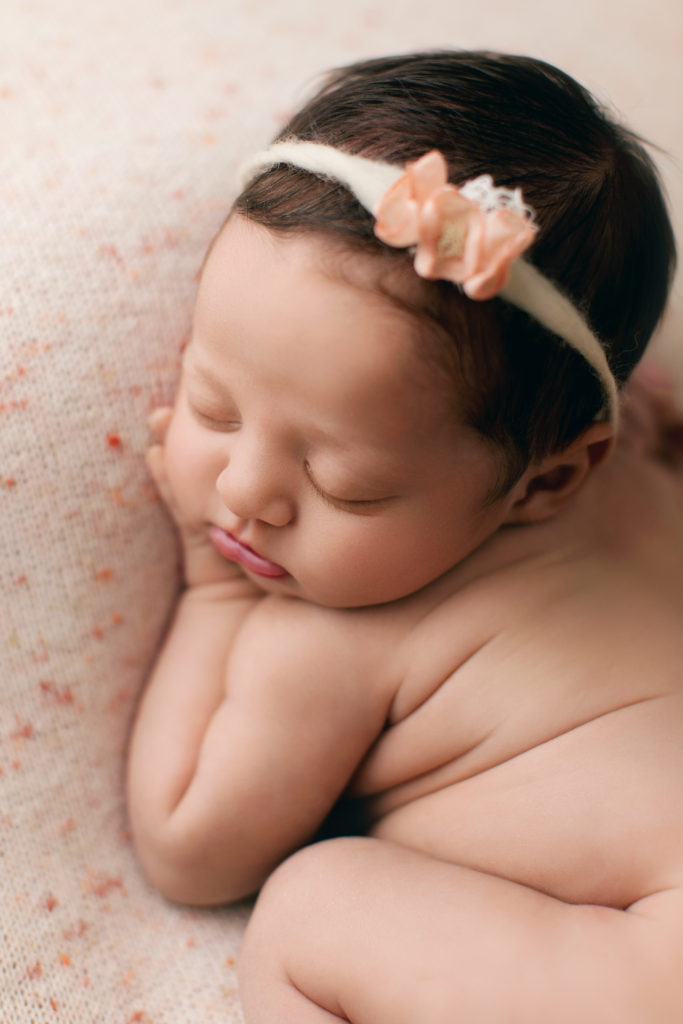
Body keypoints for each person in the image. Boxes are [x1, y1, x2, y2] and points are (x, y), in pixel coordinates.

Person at [126, 51, 683, 1022]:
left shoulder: (331, 634)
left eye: (345, 484)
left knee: (308, 907)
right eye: (213, 404)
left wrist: (213, 592)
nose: (245, 490)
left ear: (547, 477)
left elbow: (188, 847)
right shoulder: (631, 443)